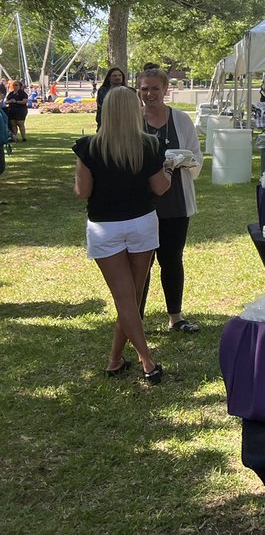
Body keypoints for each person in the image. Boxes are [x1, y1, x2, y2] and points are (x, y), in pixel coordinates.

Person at [72, 87, 171, 383]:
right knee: (132, 296)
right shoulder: (150, 145)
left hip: (105, 227)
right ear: (133, 111)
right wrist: (169, 171)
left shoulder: (89, 147)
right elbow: (161, 188)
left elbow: (82, 192)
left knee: (125, 298)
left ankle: (127, 360)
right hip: (142, 223)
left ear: (105, 111)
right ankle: (138, 360)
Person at [137, 68, 204, 333]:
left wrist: (181, 160)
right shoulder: (133, 120)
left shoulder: (181, 120)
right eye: (144, 89)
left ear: (166, 90)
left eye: (155, 89)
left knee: (172, 258)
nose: (149, 94)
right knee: (141, 262)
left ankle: (175, 317)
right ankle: (135, 319)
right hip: (140, 202)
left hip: (175, 201)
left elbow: (196, 156)